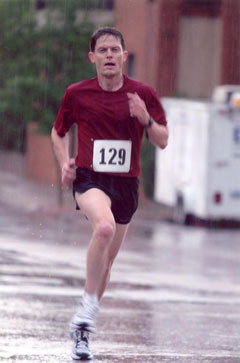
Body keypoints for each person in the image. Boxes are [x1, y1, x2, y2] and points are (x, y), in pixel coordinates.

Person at [51, 26, 168, 361]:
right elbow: (58, 133)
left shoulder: (142, 93)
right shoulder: (77, 93)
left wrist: (146, 121)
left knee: (107, 262)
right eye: (102, 51)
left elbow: (162, 139)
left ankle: (83, 326)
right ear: (92, 58)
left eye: (115, 50)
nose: (109, 56)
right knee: (103, 227)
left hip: (126, 185)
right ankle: (85, 320)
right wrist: (64, 164)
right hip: (90, 178)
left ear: (124, 56)